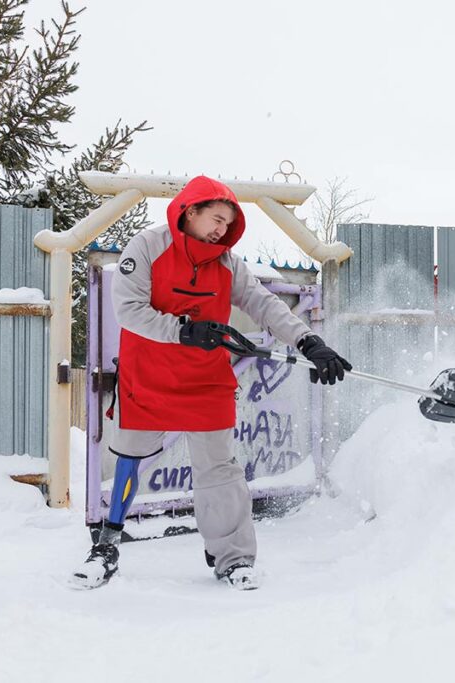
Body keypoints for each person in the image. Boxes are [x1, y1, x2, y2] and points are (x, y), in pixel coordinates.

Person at [71, 175, 351, 590]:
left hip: (205, 379)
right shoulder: (147, 247)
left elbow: (263, 303)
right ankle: (106, 547)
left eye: (228, 223)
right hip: (148, 374)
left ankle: (233, 557)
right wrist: (184, 330)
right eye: (216, 218)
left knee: (219, 469)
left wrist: (309, 341)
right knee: (129, 458)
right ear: (191, 211)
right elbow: (128, 310)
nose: (221, 229)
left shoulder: (227, 264)